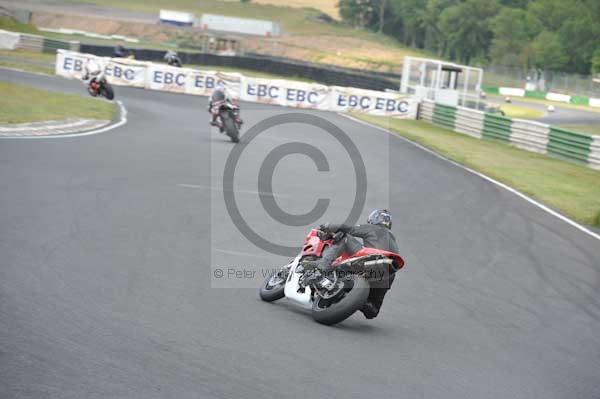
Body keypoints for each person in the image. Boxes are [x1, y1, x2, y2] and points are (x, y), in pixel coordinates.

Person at [307, 209, 399, 319]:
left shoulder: (374, 228)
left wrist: (328, 226)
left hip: (370, 260)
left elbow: (349, 229)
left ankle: (320, 270)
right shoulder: (394, 241)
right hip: (387, 272)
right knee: (373, 310)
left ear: (373, 219)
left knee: (345, 238)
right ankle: (367, 303)